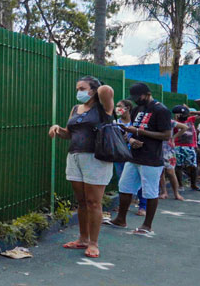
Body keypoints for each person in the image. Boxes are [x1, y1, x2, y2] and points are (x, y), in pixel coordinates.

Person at [48, 76, 114, 258]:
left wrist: (97, 88)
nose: (79, 92)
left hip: (96, 158)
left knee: (94, 202)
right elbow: (69, 134)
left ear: (93, 90)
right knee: (82, 202)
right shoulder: (76, 109)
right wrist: (57, 128)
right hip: (75, 156)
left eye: (82, 88)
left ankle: (93, 243)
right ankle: (83, 239)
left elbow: (107, 90)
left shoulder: (104, 108)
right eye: (77, 89)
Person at [108, 83, 172, 235]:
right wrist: (131, 139)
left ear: (148, 93)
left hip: (151, 158)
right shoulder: (137, 109)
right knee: (124, 187)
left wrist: (139, 131)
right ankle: (121, 219)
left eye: (139, 97)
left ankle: (147, 225)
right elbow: (131, 131)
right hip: (134, 157)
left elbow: (166, 135)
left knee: (150, 191)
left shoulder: (160, 110)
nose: (137, 100)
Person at [171, 105, 200, 192]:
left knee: (193, 166)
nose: (182, 116)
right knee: (178, 166)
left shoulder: (190, 119)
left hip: (190, 146)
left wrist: (191, 112)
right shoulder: (174, 123)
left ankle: (193, 184)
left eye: (183, 114)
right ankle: (180, 185)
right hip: (178, 146)